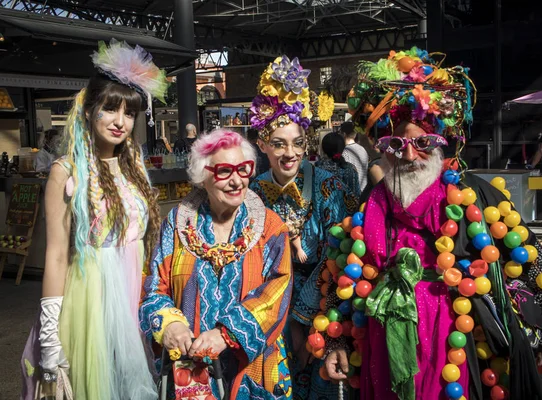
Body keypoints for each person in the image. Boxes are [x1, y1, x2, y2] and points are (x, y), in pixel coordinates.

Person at [324, 48, 542, 400]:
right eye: (396, 144)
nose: (409, 155)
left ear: (443, 144)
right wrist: (336, 339)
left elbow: (528, 258)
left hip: (455, 345)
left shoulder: (473, 195)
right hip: (382, 350)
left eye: (423, 143)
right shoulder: (372, 202)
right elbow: (344, 272)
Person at [21, 39, 167, 399]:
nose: (120, 122)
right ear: (88, 109)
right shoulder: (65, 171)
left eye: (129, 113)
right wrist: (51, 334)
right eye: (110, 109)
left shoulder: (134, 169)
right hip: (89, 303)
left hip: (135, 296)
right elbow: (56, 255)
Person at [139, 130, 293, 399]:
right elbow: (153, 285)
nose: (236, 181)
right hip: (190, 370)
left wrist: (227, 334)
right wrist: (169, 325)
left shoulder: (270, 227)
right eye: (224, 171)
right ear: (203, 176)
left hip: (252, 368)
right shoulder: (177, 225)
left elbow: (278, 290)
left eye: (243, 169)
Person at [247, 55, 357, 399]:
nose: (289, 153)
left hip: (322, 306)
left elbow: (338, 254)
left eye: (297, 143)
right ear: (263, 145)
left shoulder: (330, 187)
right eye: (278, 144)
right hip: (267, 307)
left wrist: (301, 318)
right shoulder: (250, 192)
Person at [316, 131, 361, 199]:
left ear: (323, 149)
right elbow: (357, 195)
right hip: (347, 208)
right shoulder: (350, 169)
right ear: (343, 148)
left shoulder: (317, 169)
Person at [341, 120, 369, 192]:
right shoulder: (363, 149)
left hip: (353, 192)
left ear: (343, 134)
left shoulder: (345, 152)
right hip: (364, 190)